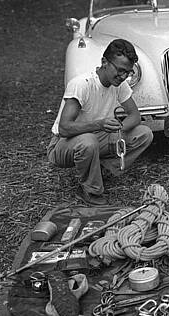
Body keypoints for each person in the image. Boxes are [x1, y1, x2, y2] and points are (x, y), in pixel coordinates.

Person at [47, 38, 153, 205]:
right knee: (88, 142)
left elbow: (135, 115)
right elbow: (64, 128)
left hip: (97, 137)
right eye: (119, 70)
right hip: (62, 144)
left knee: (144, 134)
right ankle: (91, 191)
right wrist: (100, 124)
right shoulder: (81, 84)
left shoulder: (119, 85)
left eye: (128, 72)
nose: (123, 76)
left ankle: (104, 170)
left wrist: (119, 129)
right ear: (104, 62)